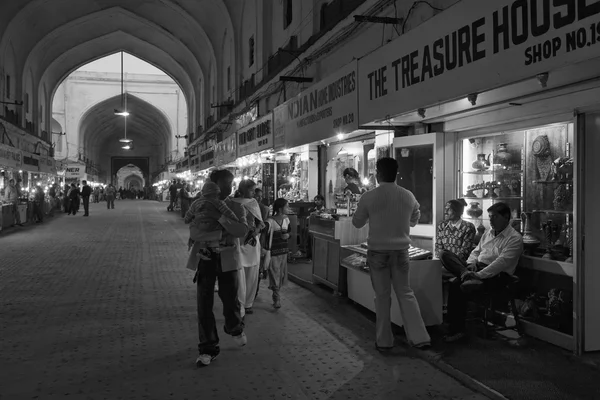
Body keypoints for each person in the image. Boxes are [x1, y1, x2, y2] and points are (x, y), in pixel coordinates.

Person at [352, 157, 430, 351]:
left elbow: (357, 222)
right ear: (396, 173)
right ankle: (420, 338)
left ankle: (384, 341)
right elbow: (415, 217)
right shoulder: (408, 195)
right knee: (405, 292)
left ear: (378, 173)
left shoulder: (369, 197)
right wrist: (406, 222)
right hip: (401, 252)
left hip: (378, 252)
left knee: (382, 296)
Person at [189, 169, 249, 368]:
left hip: (228, 260)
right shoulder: (201, 205)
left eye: (231, 184)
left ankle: (234, 327)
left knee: (230, 300)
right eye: (225, 184)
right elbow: (193, 227)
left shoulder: (235, 207)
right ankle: (208, 348)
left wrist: (220, 218)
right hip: (205, 258)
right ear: (213, 185)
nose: (228, 188)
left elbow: (241, 230)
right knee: (204, 304)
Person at [440, 202, 523, 342]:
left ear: (506, 217)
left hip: (497, 276)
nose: (490, 220)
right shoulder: (488, 233)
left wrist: (479, 275)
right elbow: (476, 251)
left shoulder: (514, 238)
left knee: (456, 285)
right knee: (444, 254)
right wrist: (471, 265)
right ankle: (464, 274)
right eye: (489, 217)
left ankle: (457, 330)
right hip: (476, 268)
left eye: (494, 217)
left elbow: (500, 263)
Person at [232, 180, 264, 317]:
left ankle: (249, 303)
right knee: (239, 273)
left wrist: (255, 232)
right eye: (252, 191)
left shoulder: (253, 203)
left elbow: (260, 223)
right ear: (244, 190)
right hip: (238, 241)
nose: (254, 193)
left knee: (252, 272)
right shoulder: (232, 203)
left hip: (251, 242)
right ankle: (240, 303)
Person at [185, 182, 240, 261]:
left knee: (202, 231)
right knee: (223, 226)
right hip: (213, 226)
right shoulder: (218, 202)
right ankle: (224, 245)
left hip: (199, 225)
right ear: (216, 193)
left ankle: (203, 250)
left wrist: (189, 221)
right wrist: (235, 219)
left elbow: (188, 216)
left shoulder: (195, 203)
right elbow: (228, 212)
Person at [265, 198, 291, 309]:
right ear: (280, 208)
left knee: (280, 275)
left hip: (284, 251)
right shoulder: (270, 221)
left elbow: (289, 232)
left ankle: (276, 295)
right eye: (286, 206)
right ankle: (277, 298)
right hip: (273, 252)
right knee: (274, 274)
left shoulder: (287, 220)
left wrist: (288, 235)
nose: (288, 209)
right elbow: (265, 237)